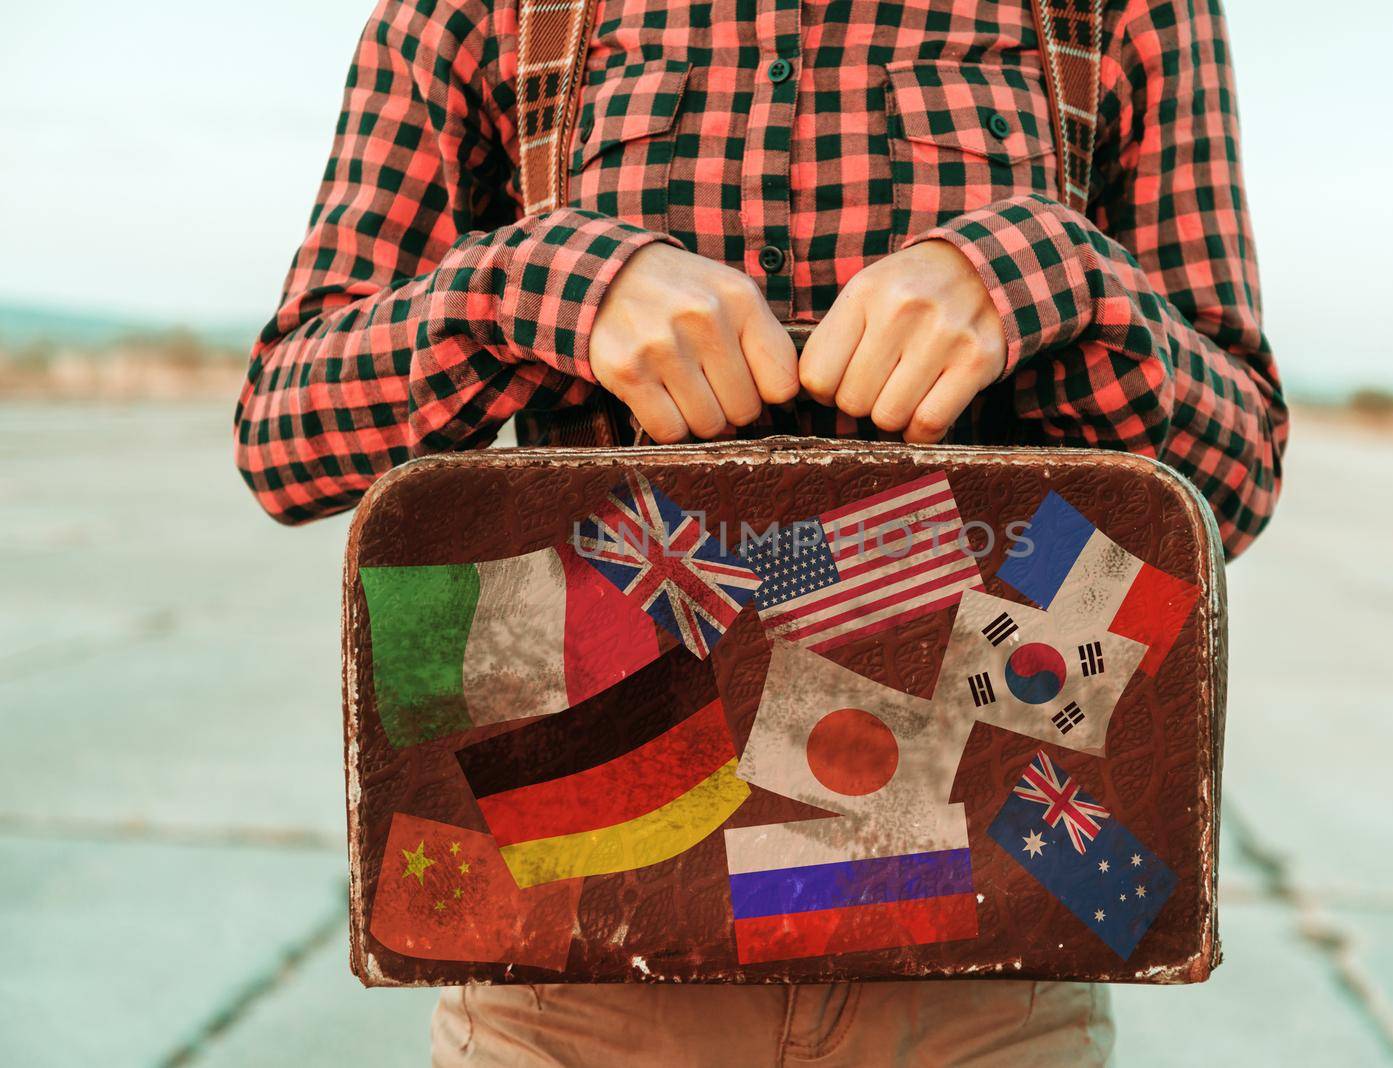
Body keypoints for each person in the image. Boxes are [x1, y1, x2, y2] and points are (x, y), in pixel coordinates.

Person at [235, 0, 1286, 1062]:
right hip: (578, 961)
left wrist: (1047, 278)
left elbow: (1233, 482)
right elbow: (285, 435)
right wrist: (547, 284)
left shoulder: (1116, 13)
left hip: (985, 963)